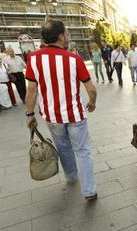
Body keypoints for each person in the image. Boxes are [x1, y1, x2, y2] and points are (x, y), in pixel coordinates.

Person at [24, 20, 98, 200]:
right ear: (60, 36)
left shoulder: (33, 58)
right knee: (83, 151)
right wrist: (92, 102)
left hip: (52, 116)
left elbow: (31, 90)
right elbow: (91, 89)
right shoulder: (74, 58)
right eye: (67, 33)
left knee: (63, 147)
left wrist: (29, 114)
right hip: (75, 114)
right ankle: (89, 190)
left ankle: (71, 176)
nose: (68, 36)